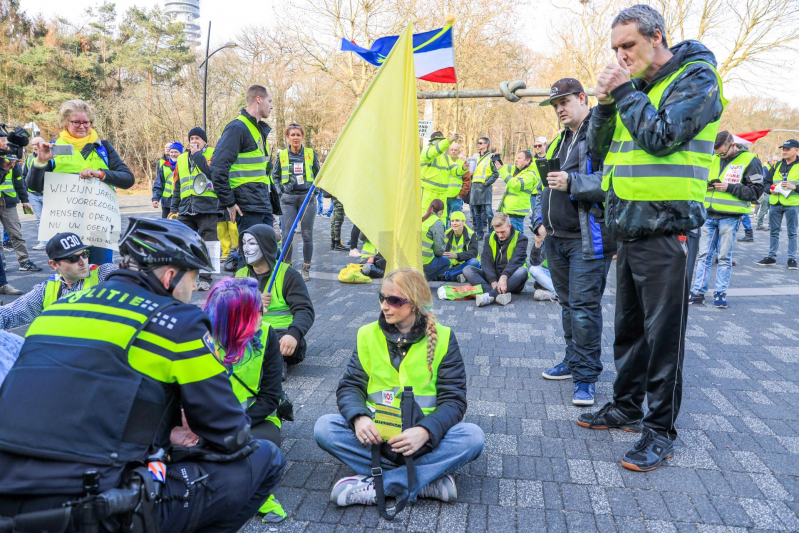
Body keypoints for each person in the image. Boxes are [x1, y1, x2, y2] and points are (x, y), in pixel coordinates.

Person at [0, 217, 286, 532]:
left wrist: (155, 426)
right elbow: (230, 433)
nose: (193, 293)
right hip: (94, 509)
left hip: (9, 496)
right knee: (266, 458)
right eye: (193, 281)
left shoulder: (55, 310)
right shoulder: (180, 324)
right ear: (170, 276)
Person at [582, 4, 726, 472]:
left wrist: (623, 90)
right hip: (630, 227)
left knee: (663, 338)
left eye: (629, 46)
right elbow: (597, 147)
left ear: (656, 37)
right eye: (616, 49)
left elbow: (661, 137)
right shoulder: (636, 89)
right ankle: (626, 406)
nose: (621, 56)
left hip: (668, 229)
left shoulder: (697, 79)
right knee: (629, 330)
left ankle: (659, 430)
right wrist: (605, 103)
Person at [314, 267, 484, 509]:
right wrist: (359, 419)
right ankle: (422, 481)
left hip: (424, 444)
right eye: (382, 298)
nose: (385, 306)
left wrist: (425, 431)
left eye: (394, 300)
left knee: (473, 437)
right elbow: (350, 387)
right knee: (324, 428)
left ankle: (379, 485)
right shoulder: (367, 334)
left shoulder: (444, 337)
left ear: (414, 303)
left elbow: (454, 401)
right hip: (377, 441)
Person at [535, 78, 615, 408]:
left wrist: (573, 182)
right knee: (568, 306)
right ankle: (573, 361)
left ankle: (586, 376)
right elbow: (548, 184)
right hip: (556, 238)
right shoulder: (562, 138)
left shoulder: (601, 131)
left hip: (588, 239)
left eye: (564, 102)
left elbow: (615, 181)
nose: (559, 110)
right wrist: (540, 221)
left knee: (583, 308)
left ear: (583, 98)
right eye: (555, 106)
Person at [203, 277, 288, 522]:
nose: (265, 312)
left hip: (255, 420)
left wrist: (235, 426)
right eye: (259, 309)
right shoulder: (200, 339)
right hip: (208, 423)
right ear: (237, 318)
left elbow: (270, 397)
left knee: (265, 448)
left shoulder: (268, 333)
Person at [27, 99, 135, 265]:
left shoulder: (103, 147)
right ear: (65, 123)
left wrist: (100, 174)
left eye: (87, 122)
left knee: (100, 271)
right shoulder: (53, 147)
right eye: (76, 122)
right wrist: (40, 162)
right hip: (65, 225)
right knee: (71, 276)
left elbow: (128, 179)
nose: (82, 126)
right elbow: (34, 186)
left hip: (100, 224)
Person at [689, 132, 763, 308]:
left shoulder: (750, 160)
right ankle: (698, 292)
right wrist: (705, 185)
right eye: (717, 153)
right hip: (708, 214)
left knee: (724, 257)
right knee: (703, 256)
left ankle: (720, 293)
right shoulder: (712, 158)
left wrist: (729, 187)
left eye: (723, 153)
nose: (720, 156)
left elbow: (757, 191)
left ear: (732, 145)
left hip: (730, 217)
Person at [235, 224, 315, 379]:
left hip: (280, 335)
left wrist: (294, 334)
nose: (245, 248)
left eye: (251, 243)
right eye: (243, 243)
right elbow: (225, 309)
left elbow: (304, 310)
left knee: (270, 345)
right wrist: (252, 302)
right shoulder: (239, 275)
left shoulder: (288, 275)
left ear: (265, 245)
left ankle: (268, 363)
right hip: (248, 332)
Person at [0, 232, 118, 330]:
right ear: (54, 264)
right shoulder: (46, 289)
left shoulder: (104, 273)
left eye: (85, 254)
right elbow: (9, 314)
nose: (83, 262)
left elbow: (132, 275)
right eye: (74, 258)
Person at [211, 85, 276, 260]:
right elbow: (217, 168)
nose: (272, 106)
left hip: (261, 203)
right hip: (247, 206)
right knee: (250, 259)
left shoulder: (256, 129)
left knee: (266, 257)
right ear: (258, 99)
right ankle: (243, 287)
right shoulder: (237, 128)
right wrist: (229, 202)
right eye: (270, 101)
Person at [169, 127, 217, 291]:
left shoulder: (212, 154)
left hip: (207, 207)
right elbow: (178, 186)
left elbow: (213, 174)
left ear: (205, 141)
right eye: (191, 138)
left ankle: (205, 278)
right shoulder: (182, 159)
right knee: (182, 242)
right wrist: (173, 208)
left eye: (197, 138)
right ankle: (184, 277)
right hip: (186, 208)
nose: (194, 141)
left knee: (208, 244)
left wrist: (197, 155)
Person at [273, 123, 320, 282]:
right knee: (287, 236)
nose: (295, 138)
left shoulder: (310, 154)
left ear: (302, 137)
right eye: (292, 135)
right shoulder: (282, 156)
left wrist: (316, 190)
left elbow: (320, 175)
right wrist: (281, 191)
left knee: (307, 235)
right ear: (287, 136)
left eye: (298, 135)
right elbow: (275, 176)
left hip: (307, 199)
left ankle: (306, 268)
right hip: (288, 200)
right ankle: (288, 268)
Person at [463, 213, 529, 307]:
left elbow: (516, 261)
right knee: (467, 270)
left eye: (502, 232)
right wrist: (493, 281)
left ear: (509, 227)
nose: (500, 235)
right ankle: (496, 292)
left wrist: (503, 277)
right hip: (493, 279)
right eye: (497, 232)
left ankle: (489, 296)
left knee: (522, 271)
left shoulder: (521, 239)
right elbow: (486, 261)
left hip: (511, 279)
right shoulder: (489, 237)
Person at [757, 139, 799, 269]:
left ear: (796, 150)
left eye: (788, 149)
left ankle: (792, 259)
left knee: (792, 233)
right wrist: (770, 189)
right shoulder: (777, 165)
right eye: (784, 149)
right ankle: (771, 257)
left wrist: (794, 187)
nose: (784, 151)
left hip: (792, 204)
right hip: (775, 203)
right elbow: (766, 182)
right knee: (773, 232)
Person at [0, 148, 40, 271]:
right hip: (7, 202)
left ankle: (24, 261)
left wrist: (25, 200)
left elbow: (19, 183)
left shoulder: (13, 162)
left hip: (8, 203)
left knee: (16, 234)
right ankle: (2, 264)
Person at [420, 131, 467, 221]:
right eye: (439, 141)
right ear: (433, 142)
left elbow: (454, 171)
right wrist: (448, 140)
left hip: (442, 195)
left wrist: (463, 168)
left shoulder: (446, 157)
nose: (441, 143)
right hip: (428, 194)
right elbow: (435, 151)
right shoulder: (427, 151)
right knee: (426, 221)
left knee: (441, 222)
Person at [496, 150, 540, 232]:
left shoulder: (530, 175)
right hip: (510, 211)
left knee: (517, 239)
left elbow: (515, 185)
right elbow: (504, 167)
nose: (516, 160)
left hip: (516, 213)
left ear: (527, 161)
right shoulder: (516, 169)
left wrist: (501, 170)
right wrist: (497, 161)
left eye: (519, 158)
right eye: (516, 157)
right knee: (511, 238)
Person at [470, 137, 499, 240]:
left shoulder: (491, 157)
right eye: (478, 143)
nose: (478, 144)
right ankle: (479, 233)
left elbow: (496, 173)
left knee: (489, 212)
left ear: (486, 144)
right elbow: (471, 171)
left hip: (485, 187)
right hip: (475, 187)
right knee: (476, 213)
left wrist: (487, 183)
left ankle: (491, 234)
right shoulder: (475, 156)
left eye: (481, 143)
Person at [441, 211, 479, 282]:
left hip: (464, 265)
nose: (454, 223)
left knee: (474, 262)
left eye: (457, 221)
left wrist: (456, 256)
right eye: (452, 221)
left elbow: (473, 253)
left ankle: (447, 275)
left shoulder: (471, 234)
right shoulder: (446, 234)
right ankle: (457, 275)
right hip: (450, 265)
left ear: (463, 222)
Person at [23, 137, 47, 251]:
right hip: (33, 195)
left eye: (37, 144)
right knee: (39, 219)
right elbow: (24, 175)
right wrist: (26, 189)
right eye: (33, 144)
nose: (35, 146)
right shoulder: (29, 158)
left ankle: (53, 241)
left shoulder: (50, 157)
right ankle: (43, 241)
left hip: (48, 194)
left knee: (51, 219)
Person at [421, 199, 449, 281]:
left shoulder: (422, 216)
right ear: (440, 212)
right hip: (424, 262)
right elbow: (438, 251)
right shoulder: (437, 223)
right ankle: (424, 279)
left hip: (411, 260)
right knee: (446, 262)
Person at [152, 142, 181, 218]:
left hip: (181, 202)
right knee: (166, 225)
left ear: (181, 153)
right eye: (171, 152)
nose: (173, 154)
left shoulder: (185, 165)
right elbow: (159, 183)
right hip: (167, 202)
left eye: (176, 152)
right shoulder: (164, 166)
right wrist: (155, 198)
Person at [445, 142, 470, 226]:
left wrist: (461, 194)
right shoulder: (444, 161)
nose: (453, 151)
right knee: (443, 219)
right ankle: (445, 237)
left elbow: (467, 181)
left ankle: (456, 237)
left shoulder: (462, 163)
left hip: (456, 198)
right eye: (451, 150)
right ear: (448, 151)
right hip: (444, 196)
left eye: (455, 150)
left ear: (459, 152)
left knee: (456, 220)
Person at [528, 230, 556, 301]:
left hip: (567, 276)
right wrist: (538, 243)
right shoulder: (549, 238)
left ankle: (558, 294)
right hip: (551, 274)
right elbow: (534, 262)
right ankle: (558, 293)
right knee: (533, 269)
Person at [756, 154, 780, 230]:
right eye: (774, 160)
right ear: (770, 161)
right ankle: (760, 224)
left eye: (777, 160)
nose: (775, 162)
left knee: (773, 210)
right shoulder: (765, 168)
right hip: (766, 192)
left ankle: (771, 225)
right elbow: (764, 180)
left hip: (776, 192)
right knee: (764, 209)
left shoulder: (779, 168)